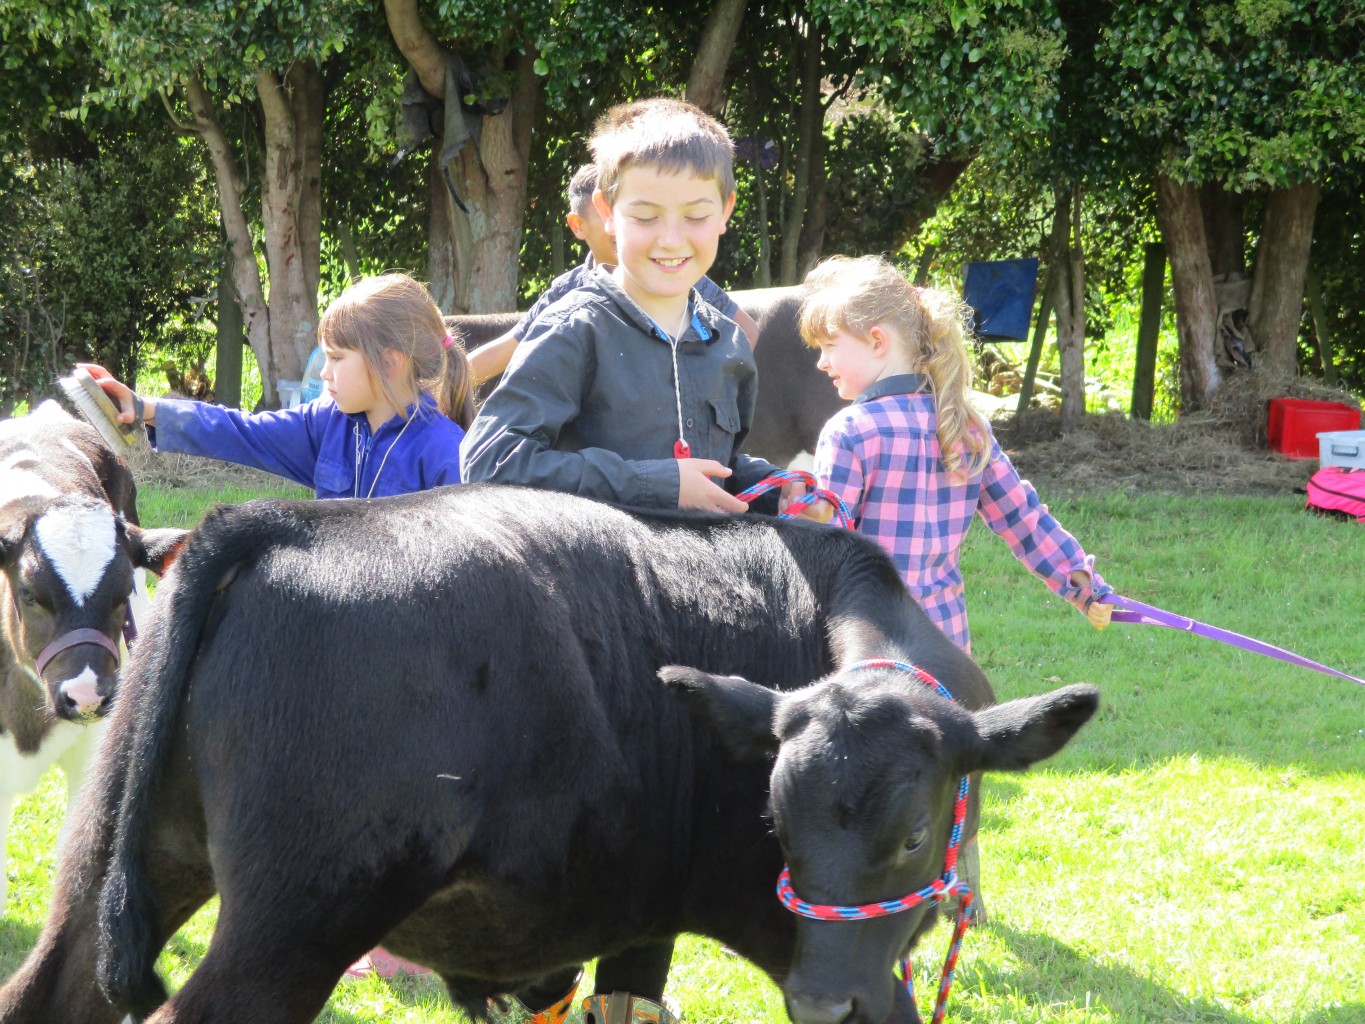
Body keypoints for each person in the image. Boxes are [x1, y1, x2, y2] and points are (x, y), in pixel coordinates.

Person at [462, 97, 803, 517]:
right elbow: (489, 460)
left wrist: (776, 490)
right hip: (594, 561)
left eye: (696, 216)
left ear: (725, 211)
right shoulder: (573, 329)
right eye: (645, 216)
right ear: (606, 212)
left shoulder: (727, 342)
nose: (671, 240)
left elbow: (716, 469)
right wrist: (652, 484)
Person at [799, 254, 1114, 653]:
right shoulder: (967, 427)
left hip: (872, 646)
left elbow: (825, 547)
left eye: (829, 346)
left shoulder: (849, 431)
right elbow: (1024, 520)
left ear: (877, 341)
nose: (821, 362)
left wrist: (793, 512)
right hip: (947, 647)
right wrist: (1085, 587)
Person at [82, 273, 474, 501]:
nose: (324, 373)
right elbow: (243, 432)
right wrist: (148, 409)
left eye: (337, 359)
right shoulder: (327, 423)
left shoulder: (447, 455)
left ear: (389, 362)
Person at [465, 163, 760, 388]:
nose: (621, 230)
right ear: (578, 226)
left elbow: (746, 331)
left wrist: (703, 387)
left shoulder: (675, 276)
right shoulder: (566, 292)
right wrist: (445, 388)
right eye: (608, 218)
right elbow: (507, 350)